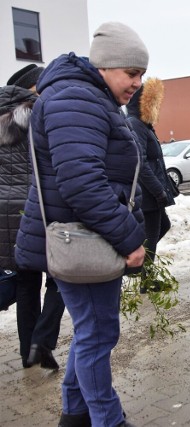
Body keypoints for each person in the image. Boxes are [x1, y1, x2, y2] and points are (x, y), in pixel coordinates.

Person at [14, 22, 148, 427]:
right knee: (97, 336)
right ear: (106, 66)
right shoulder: (79, 97)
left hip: (85, 236)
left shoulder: (86, 96)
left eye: (141, 74)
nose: (138, 84)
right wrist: (129, 239)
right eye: (132, 73)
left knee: (92, 332)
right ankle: (107, 419)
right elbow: (82, 184)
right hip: (84, 238)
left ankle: (74, 413)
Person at [0, 64, 65, 370]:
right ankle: (43, 340)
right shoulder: (41, 114)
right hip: (38, 207)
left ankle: (29, 351)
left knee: (26, 283)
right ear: (33, 89)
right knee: (60, 276)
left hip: (6, 215)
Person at [126, 77, 175, 291]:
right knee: (152, 236)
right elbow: (141, 163)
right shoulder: (136, 125)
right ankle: (145, 280)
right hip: (147, 196)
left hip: (152, 194)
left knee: (162, 227)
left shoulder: (145, 125)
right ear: (143, 103)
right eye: (152, 102)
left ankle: (141, 268)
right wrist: (159, 191)